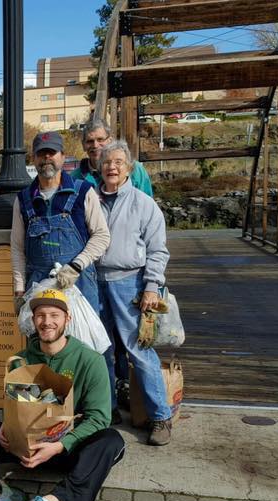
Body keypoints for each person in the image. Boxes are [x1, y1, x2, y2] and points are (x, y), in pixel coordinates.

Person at [0, 289, 125, 501]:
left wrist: (59, 446)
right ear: (33, 321)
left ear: (68, 319)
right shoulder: (20, 359)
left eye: (55, 315)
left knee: (112, 441)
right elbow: (17, 407)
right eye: (40, 315)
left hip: (66, 449)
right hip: (25, 446)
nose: (47, 322)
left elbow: (99, 418)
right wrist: (6, 427)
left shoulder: (90, 360)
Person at [95, 140, 172, 446]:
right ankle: (107, 409)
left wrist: (152, 286)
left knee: (138, 350)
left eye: (117, 162)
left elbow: (158, 250)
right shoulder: (92, 199)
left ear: (128, 167)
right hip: (96, 281)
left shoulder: (143, 203)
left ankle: (160, 416)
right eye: (106, 162)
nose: (111, 167)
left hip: (130, 283)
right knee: (100, 349)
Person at [11, 131, 110, 312]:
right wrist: (19, 289)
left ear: (63, 157)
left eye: (52, 152)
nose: (47, 158)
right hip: (39, 285)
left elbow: (102, 236)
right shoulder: (23, 199)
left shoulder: (83, 192)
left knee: (83, 339)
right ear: (33, 158)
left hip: (78, 282)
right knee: (43, 338)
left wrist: (76, 265)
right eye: (41, 153)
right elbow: (17, 249)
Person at [72, 119, 153, 196]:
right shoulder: (75, 178)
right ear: (83, 145)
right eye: (90, 141)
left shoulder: (135, 170)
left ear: (110, 141)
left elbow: (147, 206)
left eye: (100, 140)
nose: (95, 145)